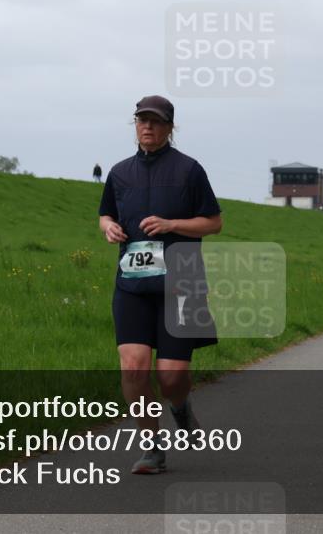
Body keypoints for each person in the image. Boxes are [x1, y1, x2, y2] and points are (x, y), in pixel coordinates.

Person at [98, 95, 222, 474]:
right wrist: (108, 227)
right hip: (133, 285)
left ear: (170, 128)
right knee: (134, 369)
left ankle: (180, 407)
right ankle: (152, 447)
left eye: (155, 121)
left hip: (180, 285)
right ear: (134, 125)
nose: (147, 127)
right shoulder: (119, 173)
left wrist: (172, 225)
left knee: (171, 378)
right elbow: (105, 213)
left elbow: (213, 222)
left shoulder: (189, 171)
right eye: (141, 120)